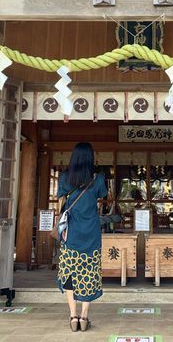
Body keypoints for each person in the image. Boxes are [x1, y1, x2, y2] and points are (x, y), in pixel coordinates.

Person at [56, 142, 107, 332]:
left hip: (71, 233)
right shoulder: (98, 178)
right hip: (91, 232)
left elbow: (61, 198)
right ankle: (84, 318)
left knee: (70, 274)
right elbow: (102, 196)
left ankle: (73, 317)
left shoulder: (64, 178)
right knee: (89, 273)